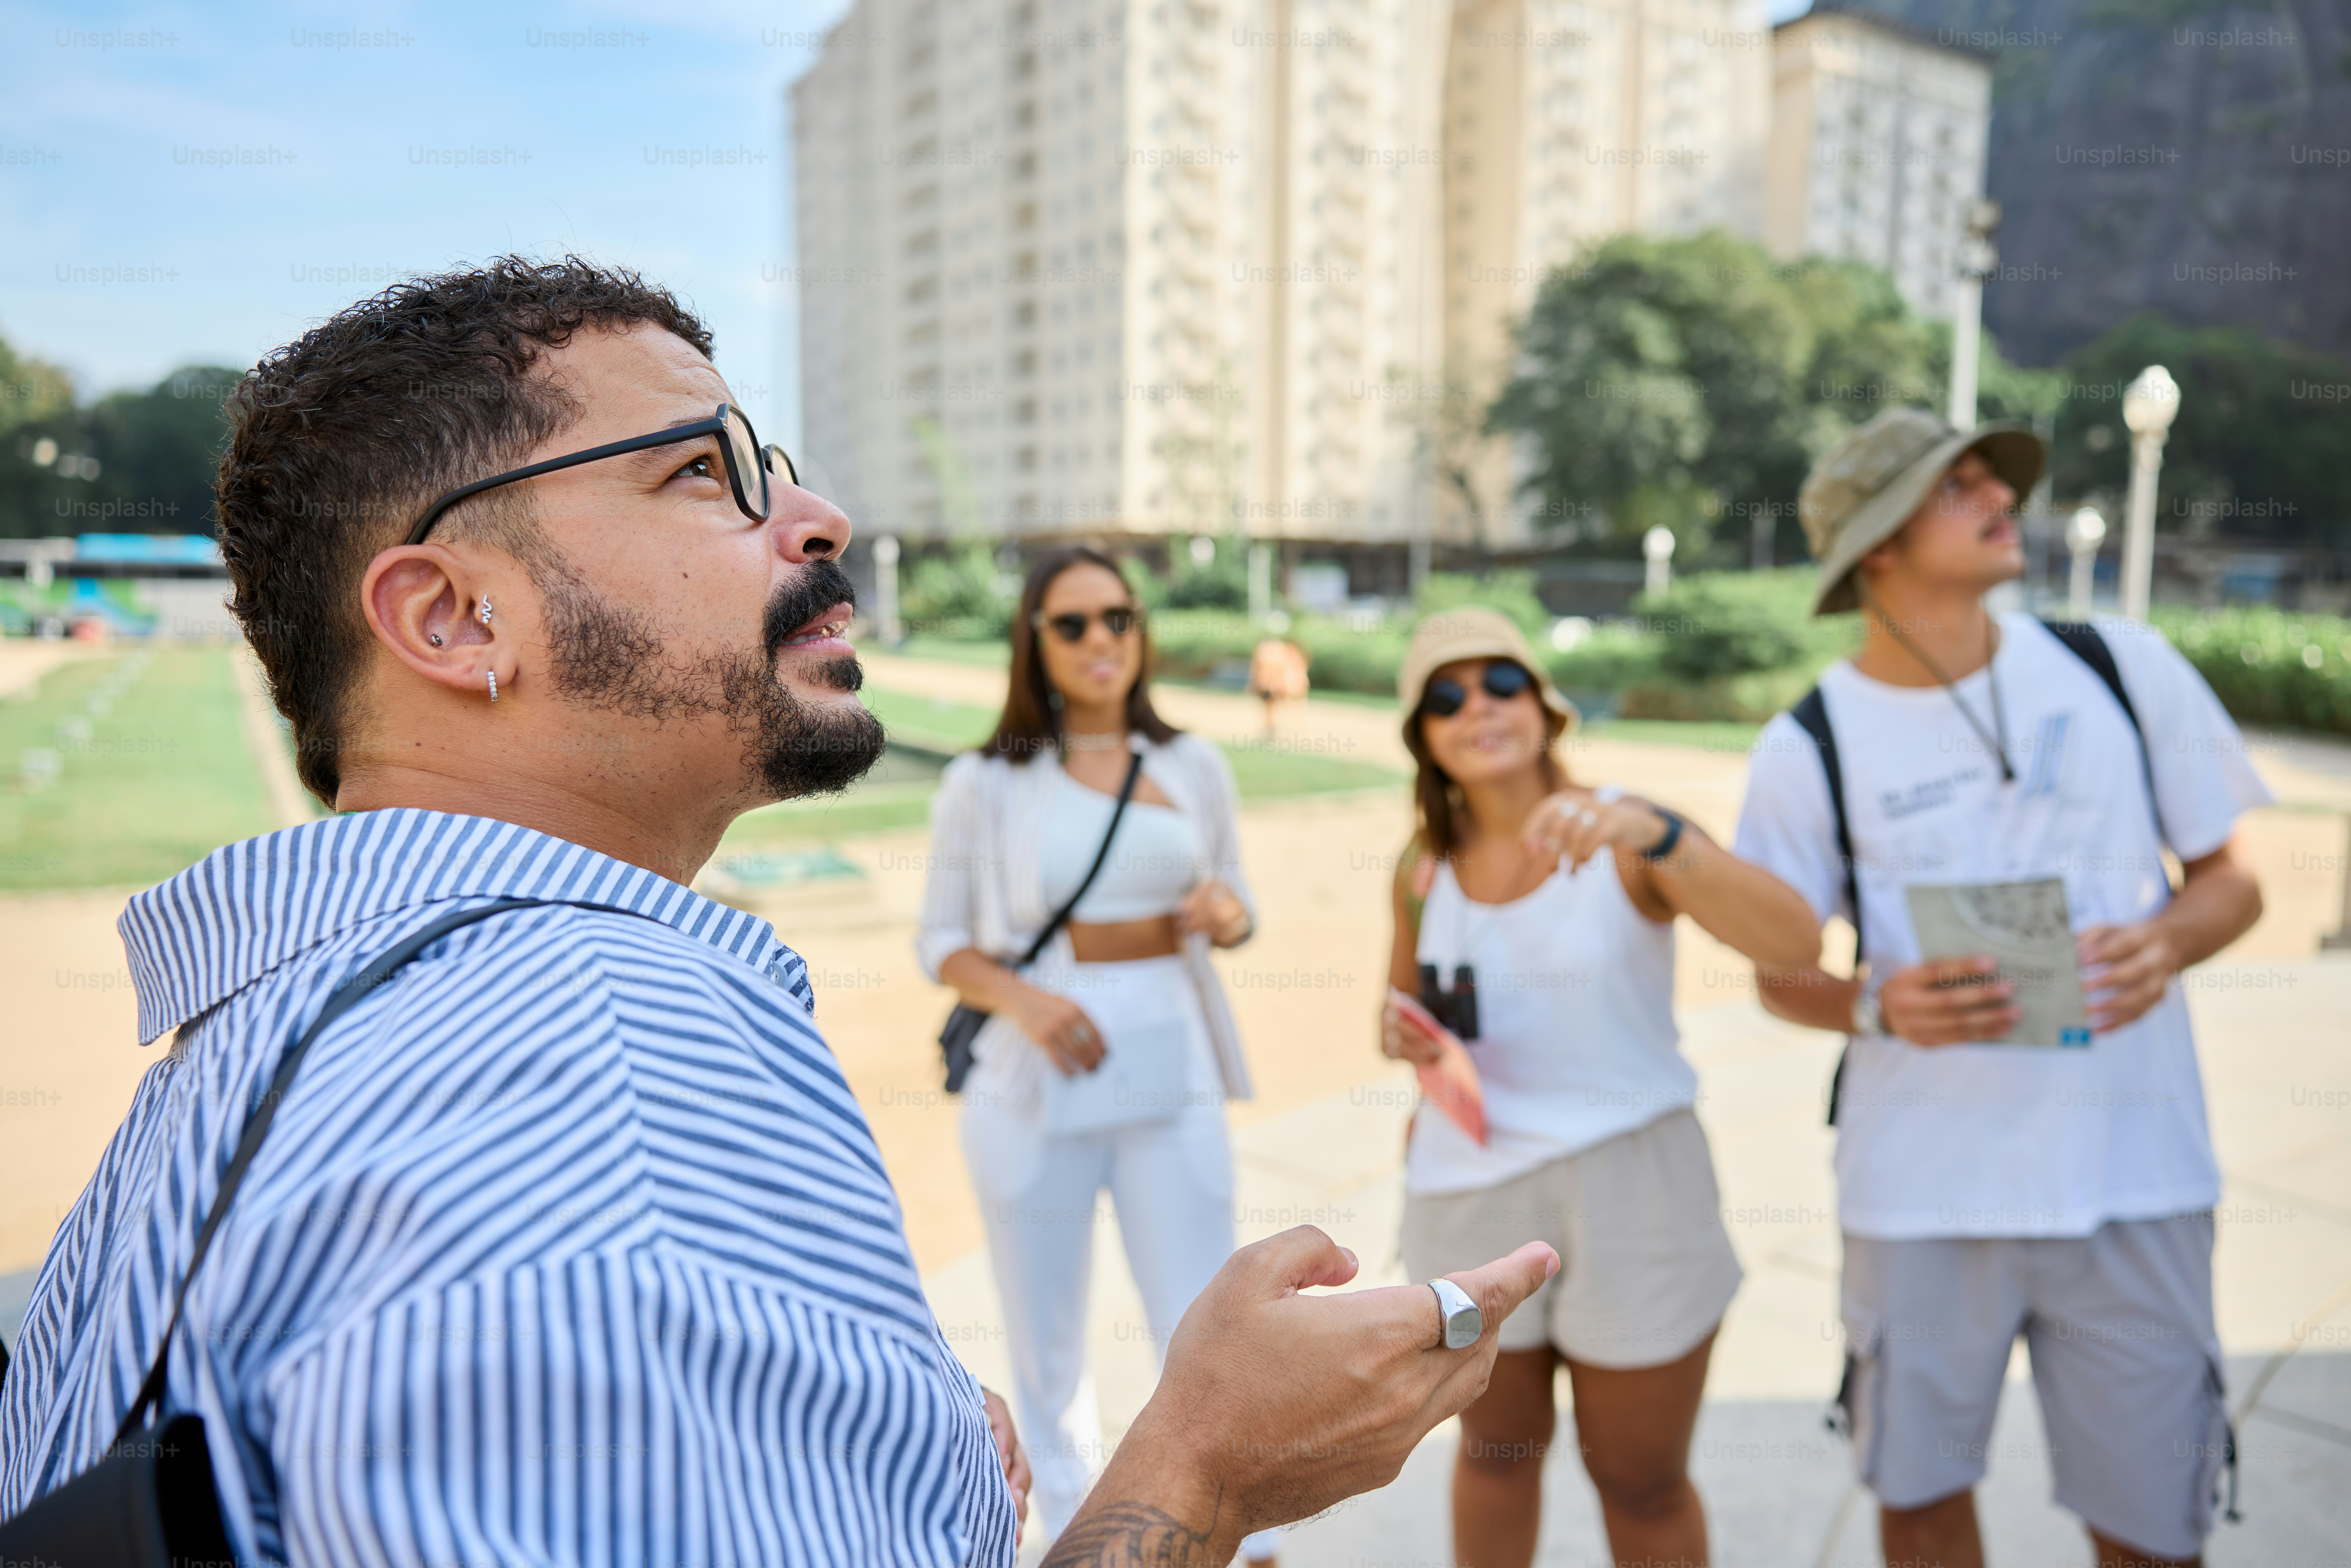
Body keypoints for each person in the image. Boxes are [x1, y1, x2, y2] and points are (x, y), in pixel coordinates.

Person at [0, 258, 1560, 1567]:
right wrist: (1206, 1469)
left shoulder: (251, 1062)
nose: (815, 516)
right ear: (455, 616)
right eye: (706, 471)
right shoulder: (608, 1081)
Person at [1733, 406, 2270, 1568]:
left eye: (1994, 478)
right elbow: (1777, 973)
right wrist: (1876, 1002)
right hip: (1917, 1193)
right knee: (1919, 1503)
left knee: (2152, 1523)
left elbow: (2230, 883)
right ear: (1874, 542)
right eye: (1956, 485)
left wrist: (2168, 939)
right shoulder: (1805, 742)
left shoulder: (2119, 665)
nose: (2000, 500)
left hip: (2135, 1176)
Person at [1377, 607, 1822, 1568]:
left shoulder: (1631, 834)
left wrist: (1661, 832)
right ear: (1424, 736)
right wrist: (1397, 1032)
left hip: (1636, 1186)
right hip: (1470, 1192)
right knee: (1494, 1459)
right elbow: (1412, 1011)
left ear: (1544, 705)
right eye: (1447, 696)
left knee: (1641, 1477)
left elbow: (1794, 944)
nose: (1479, 707)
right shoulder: (1421, 869)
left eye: (1502, 682)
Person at [918, 547, 1281, 1564]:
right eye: (1071, 623)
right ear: (1034, 640)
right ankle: (1082, 1539)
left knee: (1206, 1312)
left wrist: (1227, 910)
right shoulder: (985, 782)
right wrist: (1026, 1002)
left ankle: (1232, 1534)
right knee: (1048, 1342)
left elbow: (1240, 909)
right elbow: (938, 940)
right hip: (1036, 1085)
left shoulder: (1193, 765)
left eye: (1117, 617)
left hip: (1173, 1070)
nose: (1100, 640)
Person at [1247, 634, 1309, 738]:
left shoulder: (1275, 656)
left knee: (1277, 706)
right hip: (1275, 685)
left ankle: (1279, 728)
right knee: (1273, 706)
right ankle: (1275, 728)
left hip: (1277, 685)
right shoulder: (1280, 657)